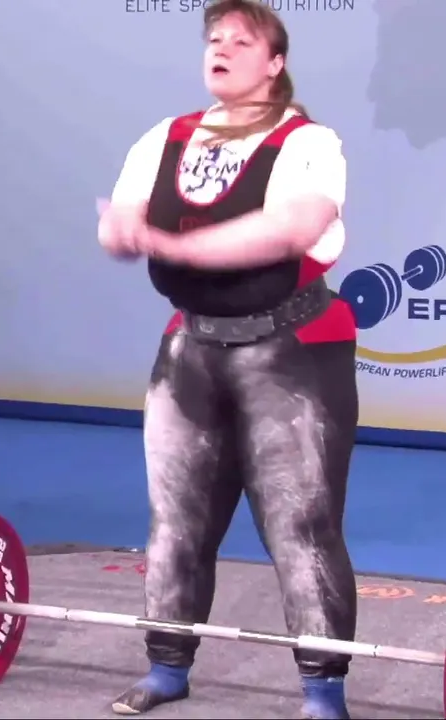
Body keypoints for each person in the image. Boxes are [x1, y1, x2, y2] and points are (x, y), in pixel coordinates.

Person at [95, 1, 358, 717]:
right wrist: (121, 231)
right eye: (215, 38)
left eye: (243, 41)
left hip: (292, 356)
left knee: (301, 528)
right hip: (192, 349)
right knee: (174, 524)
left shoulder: (310, 143)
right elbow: (120, 224)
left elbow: (290, 228)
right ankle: (167, 669)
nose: (223, 48)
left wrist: (171, 245)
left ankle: (322, 691)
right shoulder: (163, 138)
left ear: (275, 63)